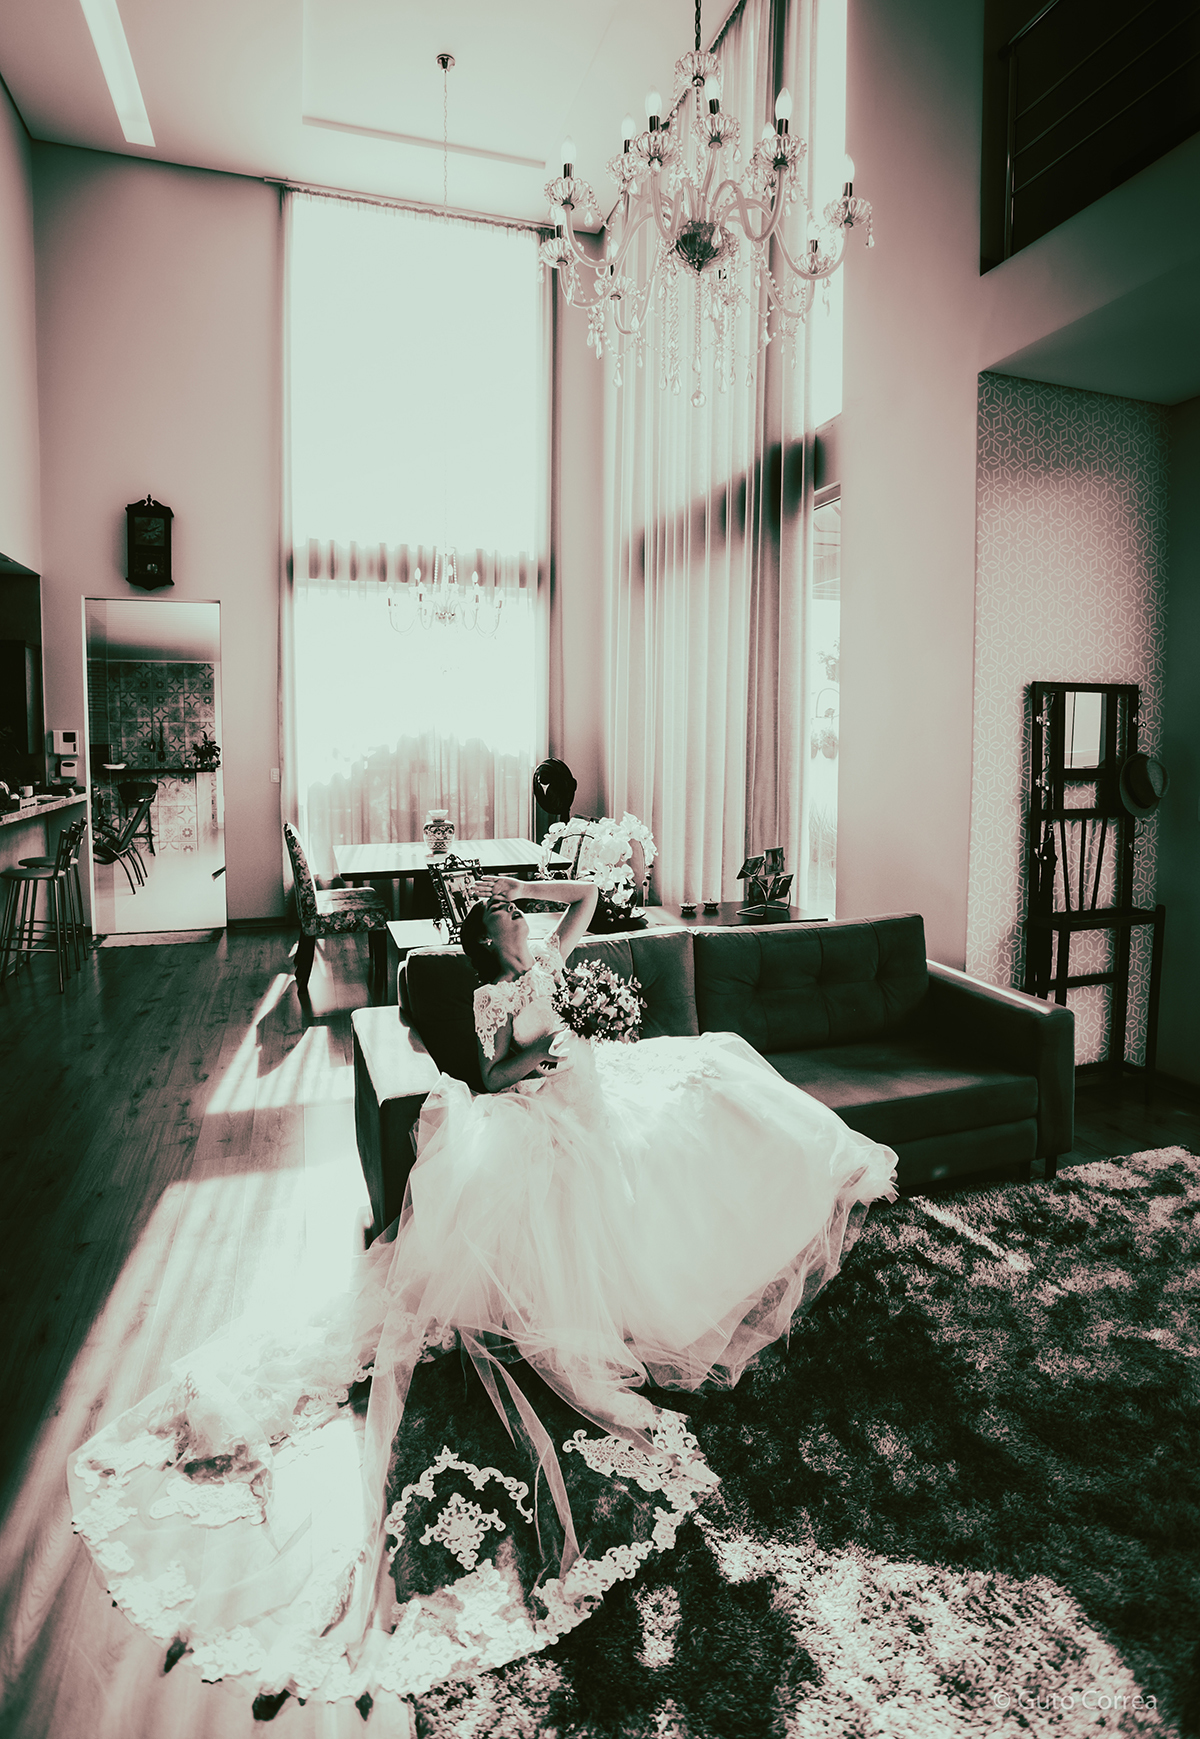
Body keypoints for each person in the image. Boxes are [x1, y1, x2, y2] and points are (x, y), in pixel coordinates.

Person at [69, 876, 897, 1712]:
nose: (520, 919)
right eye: (506, 916)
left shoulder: (546, 959)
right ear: (487, 943)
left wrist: (531, 885)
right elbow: (497, 1072)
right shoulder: (492, 995)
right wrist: (548, 1050)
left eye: (517, 912)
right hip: (544, 1117)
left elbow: (585, 899)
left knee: (716, 1069)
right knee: (594, 1205)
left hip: (595, 1101)